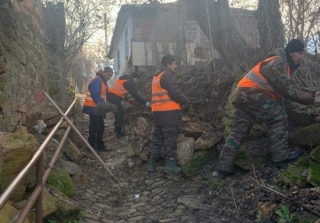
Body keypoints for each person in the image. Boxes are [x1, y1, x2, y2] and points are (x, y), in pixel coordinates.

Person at [214, 39, 320, 177]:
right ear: (292, 53)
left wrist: (313, 93)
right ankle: (281, 156)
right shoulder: (277, 62)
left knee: (238, 131)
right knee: (278, 116)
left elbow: (290, 87)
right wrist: (314, 99)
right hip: (251, 94)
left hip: (242, 96)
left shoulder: (282, 63)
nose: (302, 57)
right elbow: (289, 91)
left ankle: (223, 168)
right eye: (300, 53)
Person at [147, 55, 189, 174]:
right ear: (168, 64)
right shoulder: (168, 75)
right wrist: (185, 100)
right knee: (170, 139)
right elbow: (175, 93)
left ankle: (151, 163)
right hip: (169, 114)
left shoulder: (156, 76)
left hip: (157, 113)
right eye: (174, 64)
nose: (176, 66)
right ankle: (170, 166)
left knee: (157, 139)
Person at [107, 72, 150, 139]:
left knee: (118, 113)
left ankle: (117, 130)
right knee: (120, 114)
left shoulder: (124, 80)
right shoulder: (130, 82)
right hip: (113, 97)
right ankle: (120, 134)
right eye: (137, 80)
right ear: (134, 78)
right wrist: (145, 103)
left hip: (111, 96)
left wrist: (127, 100)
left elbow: (119, 92)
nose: (137, 82)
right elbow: (135, 95)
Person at [82, 67, 116, 152]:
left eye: (111, 76)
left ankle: (100, 146)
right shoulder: (98, 80)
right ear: (104, 73)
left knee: (100, 127)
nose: (109, 77)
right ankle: (91, 147)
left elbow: (101, 96)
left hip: (97, 108)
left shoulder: (101, 81)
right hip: (93, 108)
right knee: (94, 127)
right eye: (109, 75)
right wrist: (105, 105)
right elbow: (95, 95)